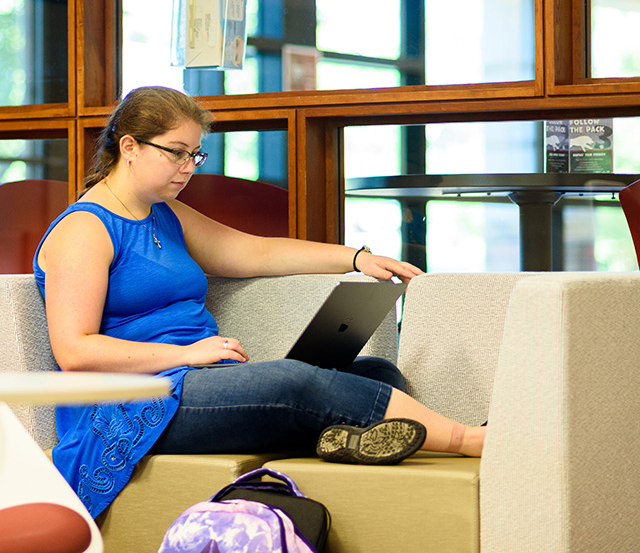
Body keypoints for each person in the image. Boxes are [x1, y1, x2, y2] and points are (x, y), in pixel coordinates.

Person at [34, 85, 486, 519]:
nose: (188, 166)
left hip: (196, 380)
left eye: (195, 154)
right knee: (296, 382)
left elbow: (255, 252)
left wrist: (356, 258)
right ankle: (469, 438)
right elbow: (74, 351)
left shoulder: (164, 213)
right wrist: (188, 354)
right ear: (129, 146)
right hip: (135, 402)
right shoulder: (85, 229)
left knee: (375, 371)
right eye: (176, 152)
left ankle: (336, 437)